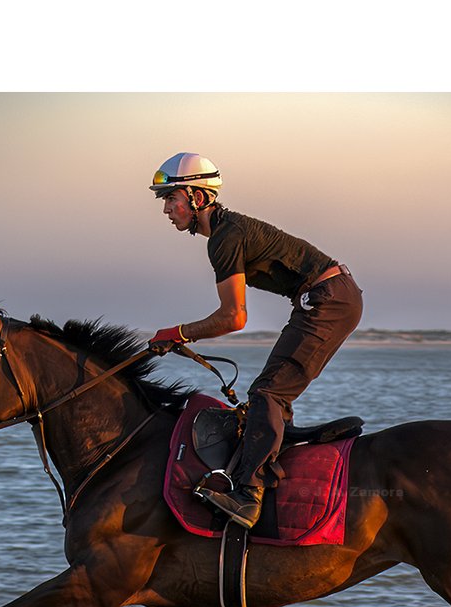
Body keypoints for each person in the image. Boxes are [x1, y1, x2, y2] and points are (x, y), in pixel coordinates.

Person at [148, 152, 363, 529]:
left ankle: (248, 496)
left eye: (171, 198)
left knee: (267, 393)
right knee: (272, 391)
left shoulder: (225, 237)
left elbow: (234, 317)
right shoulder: (225, 232)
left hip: (329, 299)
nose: (166, 209)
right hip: (328, 296)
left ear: (198, 198)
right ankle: (277, 450)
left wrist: (177, 333)